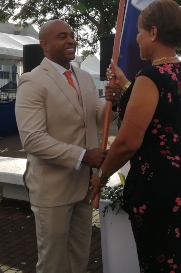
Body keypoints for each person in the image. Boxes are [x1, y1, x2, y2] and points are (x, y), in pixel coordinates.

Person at [90, 0, 181, 273]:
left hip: (161, 181)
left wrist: (103, 175)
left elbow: (127, 142)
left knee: (160, 260)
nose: (137, 38)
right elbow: (163, 111)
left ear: (154, 32)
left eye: (140, 31)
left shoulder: (150, 76)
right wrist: (127, 85)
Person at [15, 19, 120, 273]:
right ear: (45, 44)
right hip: (52, 188)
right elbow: (33, 139)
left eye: (72, 35)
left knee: (79, 256)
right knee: (53, 262)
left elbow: (95, 117)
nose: (71, 40)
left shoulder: (83, 77)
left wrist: (113, 104)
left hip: (84, 185)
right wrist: (84, 156)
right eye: (62, 36)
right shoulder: (32, 82)